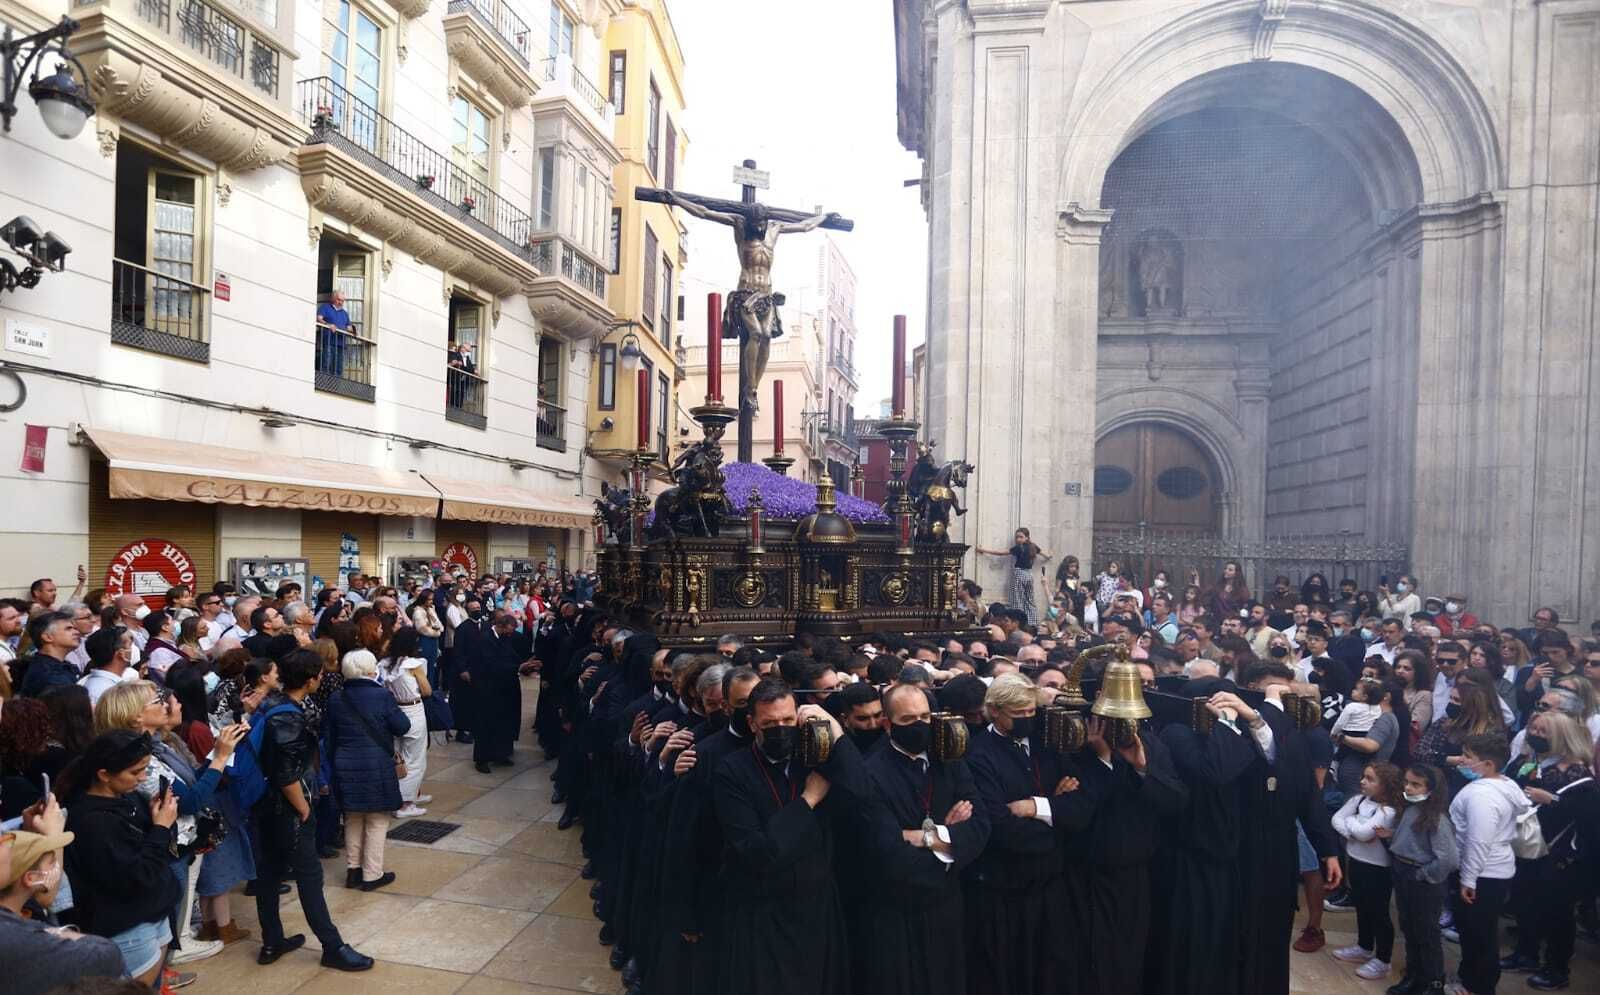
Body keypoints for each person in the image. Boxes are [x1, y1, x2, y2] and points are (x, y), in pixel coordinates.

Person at [710, 679, 859, 995]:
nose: (781, 729)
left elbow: (862, 794)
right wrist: (808, 800)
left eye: (788, 720)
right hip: (762, 911)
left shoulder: (814, 757)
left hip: (817, 905)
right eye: (769, 724)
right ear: (752, 723)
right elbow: (756, 850)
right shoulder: (731, 771)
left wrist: (837, 732)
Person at [850, 682, 990, 995]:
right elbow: (886, 848)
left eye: (925, 717)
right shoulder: (870, 772)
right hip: (895, 910)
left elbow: (980, 826)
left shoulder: (950, 760)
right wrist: (949, 838)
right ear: (888, 725)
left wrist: (923, 837)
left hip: (947, 905)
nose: (920, 725)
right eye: (908, 719)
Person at [251, 649, 375, 971]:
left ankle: (272, 941)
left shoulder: (272, 704)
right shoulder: (288, 717)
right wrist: (303, 808)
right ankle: (332, 946)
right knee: (309, 877)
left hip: (265, 805)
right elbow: (286, 774)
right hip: (287, 808)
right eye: (319, 674)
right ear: (309, 680)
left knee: (269, 873)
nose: (321, 678)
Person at [58, 729, 182, 987]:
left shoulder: (124, 798)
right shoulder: (93, 822)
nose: (143, 778)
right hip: (129, 929)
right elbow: (135, 876)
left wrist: (157, 821)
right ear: (104, 775)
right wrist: (161, 828)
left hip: (152, 914)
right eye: (135, 772)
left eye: (145, 769)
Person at [1501, 710, 1599, 990]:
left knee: (1557, 914)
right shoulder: (1534, 762)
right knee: (1526, 903)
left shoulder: (1579, 774)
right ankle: (1526, 953)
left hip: (1561, 856)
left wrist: (1551, 800)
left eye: (1544, 732)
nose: (1536, 735)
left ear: (1560, 737)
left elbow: (1588, 816)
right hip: (1530, 847)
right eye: (1534, 729)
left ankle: (1557, 969)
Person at [0, 818, 128, 993]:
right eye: (52, 861)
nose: (58, 867)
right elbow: (108, 955)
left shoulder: (27, 909)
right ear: (31, 878)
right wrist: (57, 933)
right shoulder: (16, 939)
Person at [1449, 733, 1529, 995]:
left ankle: (1478, 986)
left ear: (1488, 765)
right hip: (1494, 869)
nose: (1462, 760)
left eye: (1468, 757)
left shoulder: (1482, 795)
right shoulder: (1504, 785)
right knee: (1477, 932)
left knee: (1478, 933)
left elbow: (1478, 839)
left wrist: (1468, 879)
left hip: (1482, 873)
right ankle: (1469, 979)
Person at [324, 649, 409, 892]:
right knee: (377, 819)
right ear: (370, 670)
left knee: (352, 817)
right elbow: (402, 726)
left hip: (345, 763)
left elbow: (329, 737)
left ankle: (353, 870)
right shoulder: (382, 695)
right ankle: (372, 874)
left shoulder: (336, 698)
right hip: (376, 764)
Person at [1378, 764, 1458, 995]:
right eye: (1407, 782)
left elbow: (1448, 859)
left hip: (1421, 879)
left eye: (1416, 784)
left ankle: (1434, 982)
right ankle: (1414, 977)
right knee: (1410, 929)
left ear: (1431, 789)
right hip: (1403, 871)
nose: (1408, 788)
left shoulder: (1437, 819)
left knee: (1426, 933)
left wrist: (1423, 875)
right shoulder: (1410, 810)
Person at [1330, 761, 1403, 981]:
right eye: (1363, 776)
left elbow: (1363, 833)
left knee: (1378, 911)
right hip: (1356, 860)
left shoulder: (1388, 811)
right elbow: (1337, 819)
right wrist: (1354, 829)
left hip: (1378, 868)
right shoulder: (1358, 800)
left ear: (1386, 785)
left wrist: (1352, 824)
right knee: (1361, 906)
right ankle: (1364, 945)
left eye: (1370, 779)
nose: (1363, 781)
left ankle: (1383, 959)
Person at [379, 627, 433, 818]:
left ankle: (408, 794)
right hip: (413, 710)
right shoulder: (413, 664)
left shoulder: (383, 663)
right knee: (415, 758)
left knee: (398, 754)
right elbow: (427, 691)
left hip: (393, 710)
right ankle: (405, 802)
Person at [468, 609, 531, 773]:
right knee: (485, 723)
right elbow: (491, 664)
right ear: (502, 626)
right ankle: (482, 759)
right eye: (510, 630)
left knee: (503, 722)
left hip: (504, 688)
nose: (511, 634)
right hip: (487, 688)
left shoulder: (504, 638)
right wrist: (517, 667)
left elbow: (510, 656)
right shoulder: (485, 639)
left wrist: (524, 665)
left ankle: (501, 754)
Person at [974, 529, 1048, 626]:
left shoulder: (1019, 548)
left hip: (1019, 574)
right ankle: (1032, 623)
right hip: (1029, 575)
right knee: (1030, 601)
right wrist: (1049, 556)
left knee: (1017, 600)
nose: (1018, 539)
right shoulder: (1033, 547)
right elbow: (1045, 554)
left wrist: (983, 550)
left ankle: (1019, 623)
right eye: (1017, 537)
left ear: (1027, 537)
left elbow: (1000, 553)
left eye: (1021, 537)